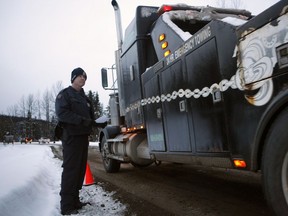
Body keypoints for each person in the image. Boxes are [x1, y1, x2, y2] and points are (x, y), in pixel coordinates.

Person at [55, 67, 95, 215]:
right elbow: (63, 114)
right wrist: (83, 121)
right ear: (73, 78)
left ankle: (75, 200)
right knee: (71, 170)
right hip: (71, 137)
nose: (83, 79)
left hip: (83, 137)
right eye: (80, 76)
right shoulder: (65, 95)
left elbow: (90, 118)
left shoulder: (85, 98)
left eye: (85, 77)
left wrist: (95, 123)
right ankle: (66, 205)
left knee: (79, 170)